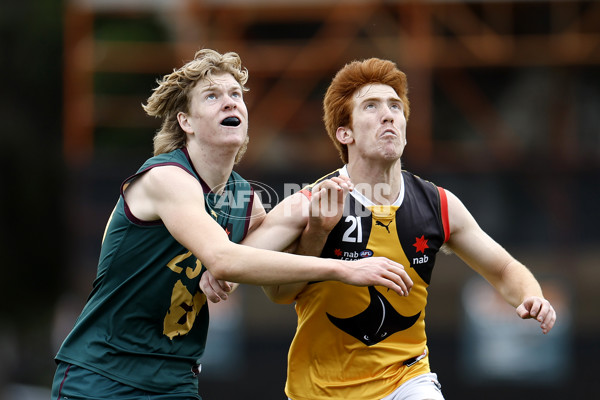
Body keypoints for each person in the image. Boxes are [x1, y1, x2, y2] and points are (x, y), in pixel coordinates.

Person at [50, 50, 414, 400]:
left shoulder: (246, 202)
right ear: (185, 122)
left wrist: (318, 217)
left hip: (174, 380)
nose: (230, 102)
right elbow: (225, 260)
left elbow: (273, 282)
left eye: (236, 95)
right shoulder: (167, 178)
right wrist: (345, 269)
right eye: (212, 96)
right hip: (102, 375)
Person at [253, 58, 557, 400]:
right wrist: (318, 233)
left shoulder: (439, 205)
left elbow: (504, 268)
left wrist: (532, 295)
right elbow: (267, 283)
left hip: (408, 380)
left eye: (395, 106)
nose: (389, 115)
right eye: (371, 106)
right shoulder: (311, 200)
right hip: (320, 390)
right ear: (345, 132)